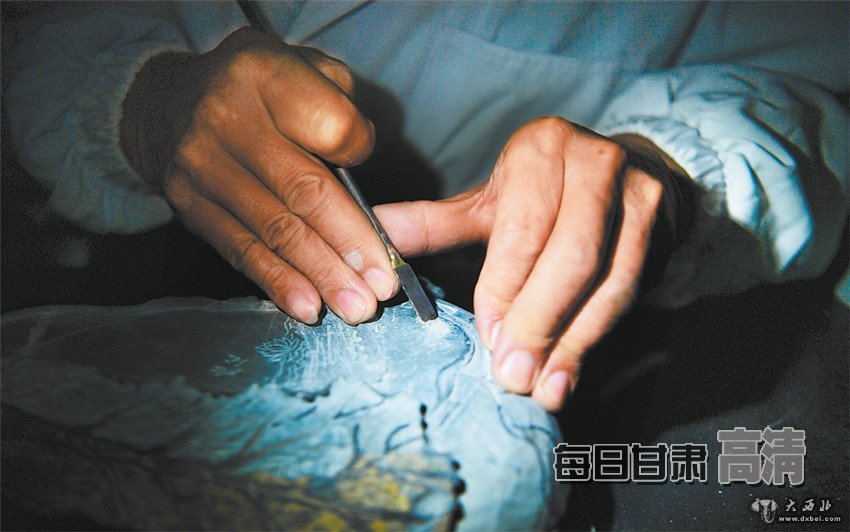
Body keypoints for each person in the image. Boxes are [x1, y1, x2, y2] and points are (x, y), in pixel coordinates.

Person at [4, 1, 847, 412]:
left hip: (653, 310)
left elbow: (818, 76)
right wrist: (139, 100)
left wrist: (670, 174)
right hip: (147, 251)